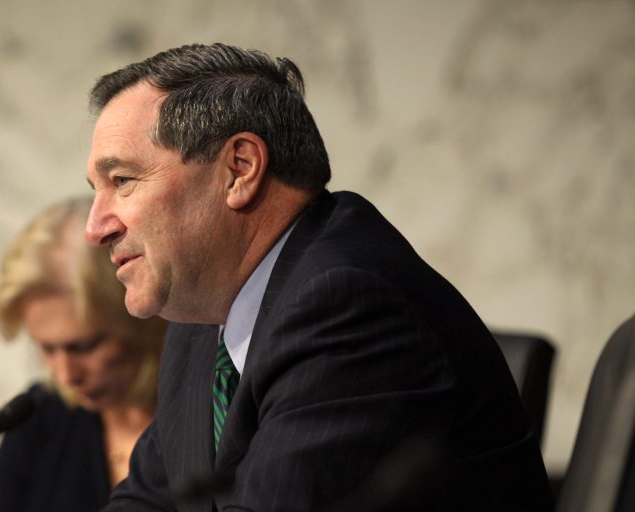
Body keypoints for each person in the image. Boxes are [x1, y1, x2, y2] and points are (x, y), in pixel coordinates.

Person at [84, 43, 554, 511]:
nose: (96, 227)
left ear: (239, 169)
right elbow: (146, 502)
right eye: (96, 191)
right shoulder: (201, 319)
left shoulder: (349, 306)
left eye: (123, 181)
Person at [0, 196, 167, 512]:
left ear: (141, 318)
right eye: (47, 348)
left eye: (84, 346)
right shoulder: (33, 426)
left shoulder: (212, 411)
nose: (66, 375)